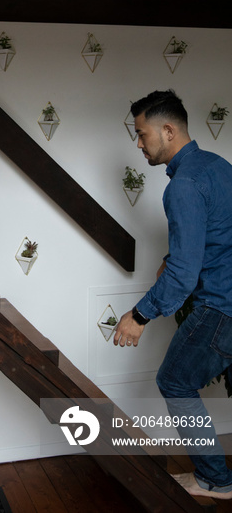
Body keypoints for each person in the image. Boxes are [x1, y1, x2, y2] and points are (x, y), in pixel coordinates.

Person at [113, 89, 232, 500]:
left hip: (221, 304)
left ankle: (216, 479)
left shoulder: (182, 185)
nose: (139, 143)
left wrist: (139, 315)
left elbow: (183, 275)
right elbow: (218, 229)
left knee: (175, 382)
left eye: (142, 134)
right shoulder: (218, 166)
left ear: (167, 130)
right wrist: (172, 254)